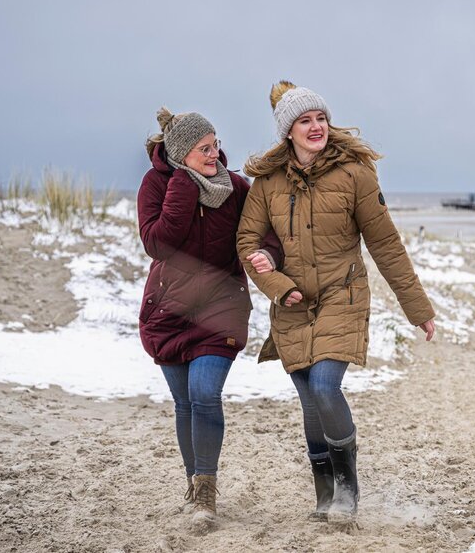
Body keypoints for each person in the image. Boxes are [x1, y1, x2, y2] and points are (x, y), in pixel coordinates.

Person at [237, 81, 436, 522]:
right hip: (292, 303)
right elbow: (247, 243)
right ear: (287, 131)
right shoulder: (267, 183)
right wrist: (276, 284)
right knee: (310, 398)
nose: (316, 127)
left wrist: (417, 308)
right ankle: (324, 493)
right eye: (305, 121)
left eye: (321, 118)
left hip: (342, 295)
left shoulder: (354, 175)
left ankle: (347, 489)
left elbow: (386, 244)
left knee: (326, 386)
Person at [138, 107, 282, 533]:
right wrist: (183, 185)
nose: (214, 153)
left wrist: (268, 254)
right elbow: (158, 244)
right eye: (204, 148)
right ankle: (193, 482)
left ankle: (206, 493)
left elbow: (266, 230)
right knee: (184, 403)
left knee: (203, 392)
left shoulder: (234, 187)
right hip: (169, 311)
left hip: (222, 308)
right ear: (181, 152)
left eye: (215, 144)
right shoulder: (157, 184)